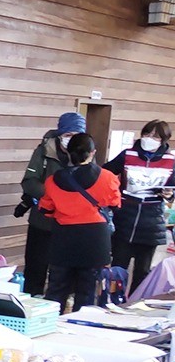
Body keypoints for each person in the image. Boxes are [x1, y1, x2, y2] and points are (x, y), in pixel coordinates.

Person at [39, 133, 120, 312]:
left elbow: (46, 209)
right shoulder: (107, 177)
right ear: (92, 153)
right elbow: (115, 203)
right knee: (88, 293)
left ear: (69, 153)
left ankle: (50, 328)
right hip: (94, 240)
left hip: (63, 239)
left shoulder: (53, 180)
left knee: (56, 291)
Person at [104, 119, 175, 293]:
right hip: (125, 215)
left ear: (163, 140)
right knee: (118, 267)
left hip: (151, 220)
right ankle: (113, 301)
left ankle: (136, 303)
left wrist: (169, 194)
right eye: (147, 134)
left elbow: (172, 190)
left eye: (155, 137)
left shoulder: (171, 161)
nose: (149, 139)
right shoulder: (128, 154)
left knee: (142, 271)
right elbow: (105, 173)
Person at [19, 112, 83, 296]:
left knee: (64, 273)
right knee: (35, 269)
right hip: (42, 221)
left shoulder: (85, 152)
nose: (71, 140)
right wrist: (54, 195)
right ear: (60, 134)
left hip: (70, 224)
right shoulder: (43, 151)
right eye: (68, 135)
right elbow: (29, 181)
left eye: (76, 135)